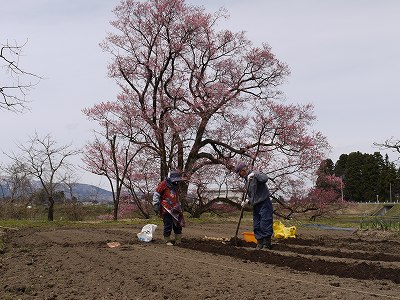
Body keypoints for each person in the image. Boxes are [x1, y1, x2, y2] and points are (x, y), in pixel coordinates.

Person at [235, 162, 273, 250]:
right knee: (257, 224)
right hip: (256, 205)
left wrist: (255, 174)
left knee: (265, 223)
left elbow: (265, 178)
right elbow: (252, 195)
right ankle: (259, 243)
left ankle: (266, 244)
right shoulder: (247, 182)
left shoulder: (255, 174)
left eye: (239, 173)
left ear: (243, 170)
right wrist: (247, 201)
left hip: (264, 202)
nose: (239, 175)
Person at [152, 170, 185, 246]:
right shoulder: (163, 184)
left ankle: (178, 240)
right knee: (168, 224)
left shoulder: (177, 185)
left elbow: (177, 196)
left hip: (176, 207)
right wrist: (156, 204)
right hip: (166, 208)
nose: (176, 182)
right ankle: (167, 240)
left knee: (178, 224)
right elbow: (156, 194)